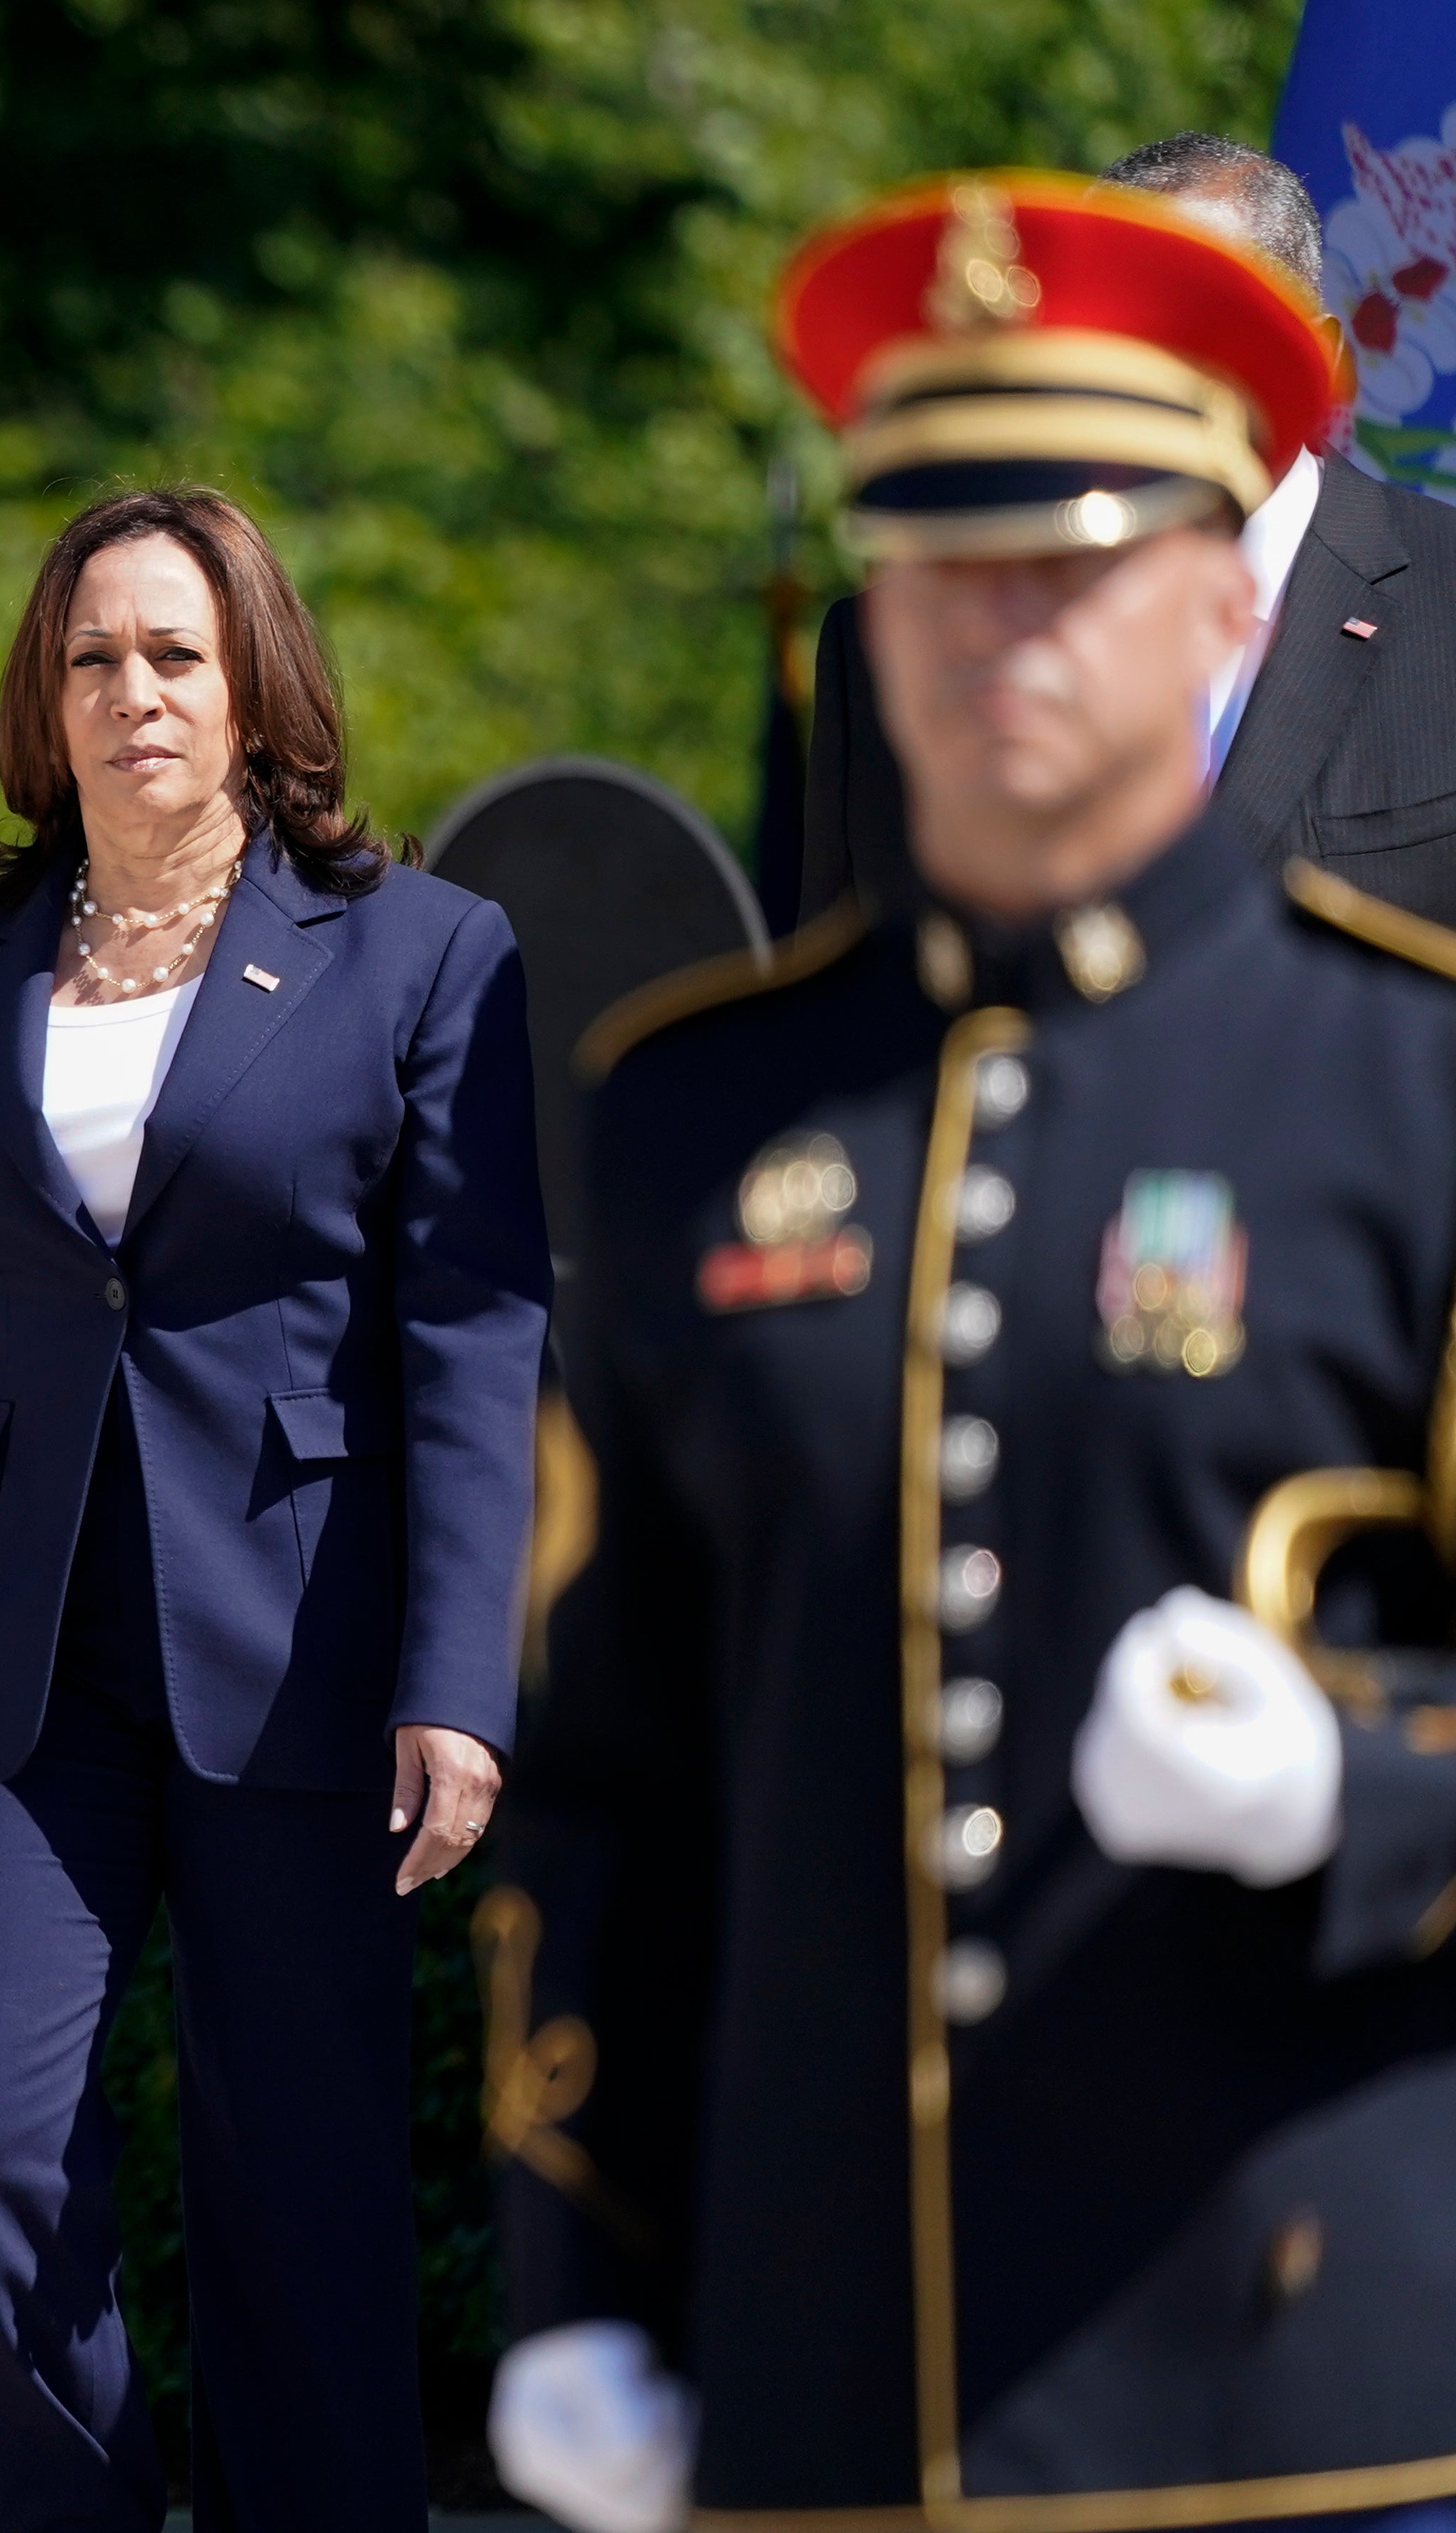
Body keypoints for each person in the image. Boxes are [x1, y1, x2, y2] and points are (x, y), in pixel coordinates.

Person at [489, 176, 1456, 2532]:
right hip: (829, 2370)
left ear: (1228, 590)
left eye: (1071, 560)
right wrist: (575, 2278)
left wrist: (1364, 1787)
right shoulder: (698, 1109)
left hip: (1299, 2387)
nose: (991, 629)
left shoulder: (1403, 1082)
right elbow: (612, 1754)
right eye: (935, 558)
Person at [0, 486, 549, 2531]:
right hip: (4, 1664)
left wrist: (458, 1681)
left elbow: (473, 1346)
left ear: (255, 688)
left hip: (299, 1635)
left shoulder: (422, 953)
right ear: (45, 702)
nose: (132, 691)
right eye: (91, 656)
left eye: (174, 655)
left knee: (297, 2183)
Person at [798, 135, 1456, 928]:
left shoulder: (1440, 599)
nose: (1143, 377)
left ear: (1313, 356)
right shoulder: (898, 651)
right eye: (1110, 336)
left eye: (1190, 332)